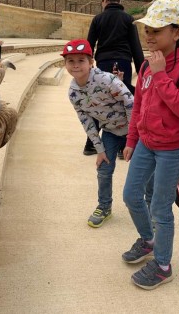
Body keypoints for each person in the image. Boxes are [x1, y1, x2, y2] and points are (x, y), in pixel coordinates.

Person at [122, 0, 179, 290]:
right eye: (147, 29)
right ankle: (149, 240)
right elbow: (139, 106)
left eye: (157, 29)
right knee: (131, 195)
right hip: (146, 143)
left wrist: (161, 74)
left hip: (172, 149)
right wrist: (132, 140)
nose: (149, 35)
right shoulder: (145, 64)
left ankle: (163, 265)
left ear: (177, 33)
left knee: (160, 208)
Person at [62, 38, 134, 228]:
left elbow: (130, 103)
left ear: (91, 62)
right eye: (71, 61)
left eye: (81, 60)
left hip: (135, 131)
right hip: (110, 131)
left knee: (144, 172)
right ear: (65, 64)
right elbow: (86, 122)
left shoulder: (107, 79)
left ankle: (151, 209)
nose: (76, 65)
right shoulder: (73, 92)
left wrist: (133, 137)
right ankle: (104, 207)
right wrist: (99, 149)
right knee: (103, 170)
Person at [84, 0, 144, 156]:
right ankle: (122, 146)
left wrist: (88, 66)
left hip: (103, 64)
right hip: (123, 63)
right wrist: (142, 73)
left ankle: (91, 144)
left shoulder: (98, 19)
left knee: (98, 100)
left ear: (104, 0)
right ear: (120, 1)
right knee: (123, 102)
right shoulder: (128, 19)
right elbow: (136, 48)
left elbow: (89, 45)